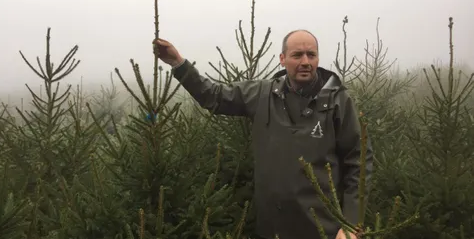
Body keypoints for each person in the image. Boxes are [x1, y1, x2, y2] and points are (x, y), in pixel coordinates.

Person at [153, 30, 373, 239]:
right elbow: (214, 96)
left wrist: (351, 223)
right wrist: (178, 63)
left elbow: (358, 162)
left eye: (311, 55)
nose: (305, 61)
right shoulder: (262, 94)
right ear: (282, 58)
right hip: (273, 228)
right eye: (297, 55)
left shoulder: (338, 101)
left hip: (325, 230)